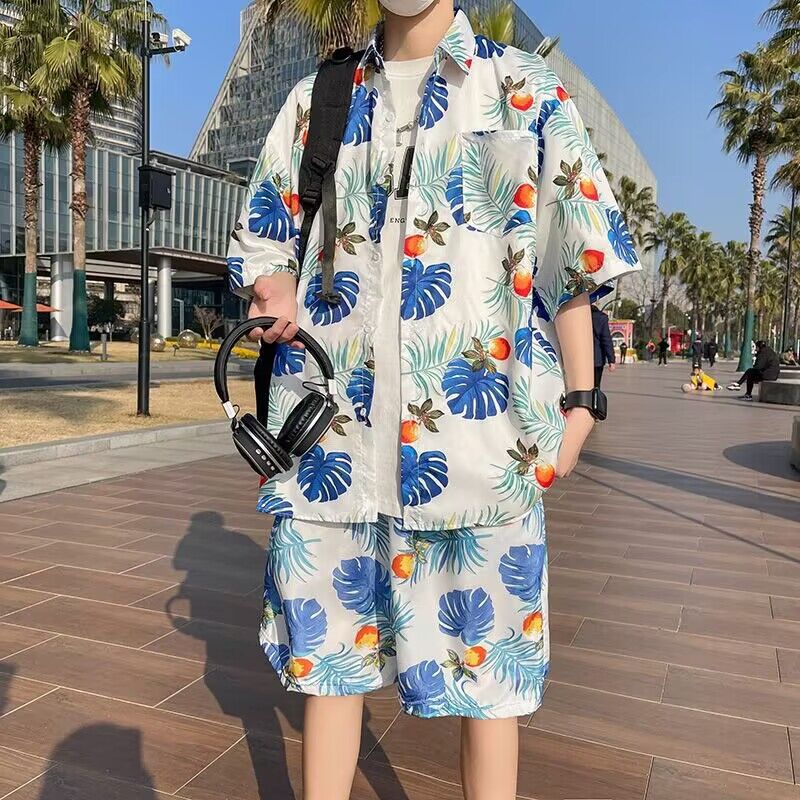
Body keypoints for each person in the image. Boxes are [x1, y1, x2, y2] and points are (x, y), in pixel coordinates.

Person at [225, 3, 641, 798]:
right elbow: (266, 234)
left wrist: (583, 405)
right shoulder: (319, 100)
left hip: (481, 454)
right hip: (330, 455)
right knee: (329, 672)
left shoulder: (523, 90)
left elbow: (574, 260)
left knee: (492, 689)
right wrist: (271, 283)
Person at [592, 304, 616, 387]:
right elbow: (606, 339)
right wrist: (611, 360)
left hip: (580, 359)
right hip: (597, 360)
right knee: (595, 386)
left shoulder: (579, 316)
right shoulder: (601, 318)